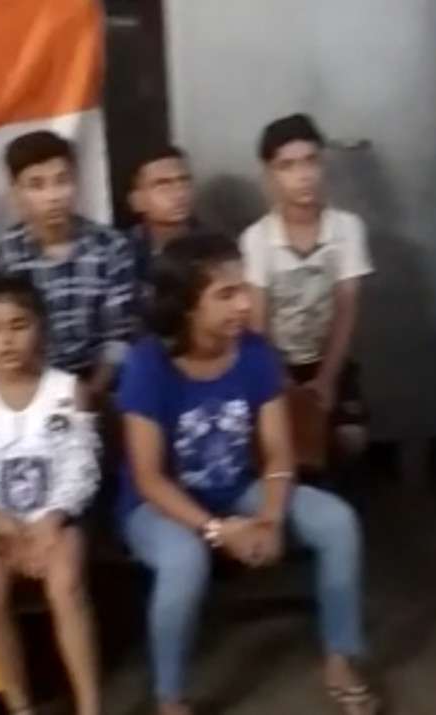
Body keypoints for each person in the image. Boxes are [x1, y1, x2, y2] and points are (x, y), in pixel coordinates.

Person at [117, 233, 379, 715]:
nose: (244, 304)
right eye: (226, 294)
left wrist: (270, 520)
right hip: (158, 506)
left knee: (337, 521)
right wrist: (219, 531)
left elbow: (278, 453)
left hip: (237, 488)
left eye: (243, 289)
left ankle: (341, 657)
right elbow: (149, 478)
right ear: (187, 306)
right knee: (185, 561)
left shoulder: (255, 353)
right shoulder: (147, 364)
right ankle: (170, 697)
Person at [0, 276, 102, 715]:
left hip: (56, 521)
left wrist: (50, 520)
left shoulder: (67, 389)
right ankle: (20, 706)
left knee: (65, 583)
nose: (6, 340)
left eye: (19, 326)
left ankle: (90, 704)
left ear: (41, 327)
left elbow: (81, 466)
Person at [240, 114, 374, 463]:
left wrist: (327, 378)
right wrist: (281, 379)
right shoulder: (257, 239)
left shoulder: (347, 228)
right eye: (287, 166)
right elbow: (258, 322)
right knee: (281, 440)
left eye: (311, 161)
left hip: (329, 358)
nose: (303, 176)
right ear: (270, 175)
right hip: (275, 361)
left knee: (351, 439)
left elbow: (346, 309)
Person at [0, 130, 136, 400]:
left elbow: (118, 339)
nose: (53, 196)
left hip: (98, 386)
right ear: (16, 193)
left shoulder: (111, 248)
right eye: (36, 185)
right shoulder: (1, 258)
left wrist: (89, 394)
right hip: (27, 387)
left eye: (62, 181)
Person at [127, 144, 198, 298]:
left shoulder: (215, 247)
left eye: (184, 181)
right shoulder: (122, 254)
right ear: (136, 201)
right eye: (163, 185)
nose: (179, 194)